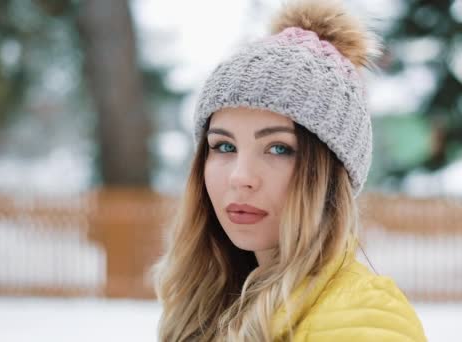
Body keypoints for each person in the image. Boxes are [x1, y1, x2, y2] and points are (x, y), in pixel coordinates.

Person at [151, 0, 427, 340]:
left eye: (279, 149)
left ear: (330, 175)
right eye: (224, 146)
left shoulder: (364, 321)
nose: (240, 177)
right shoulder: (206, 306)